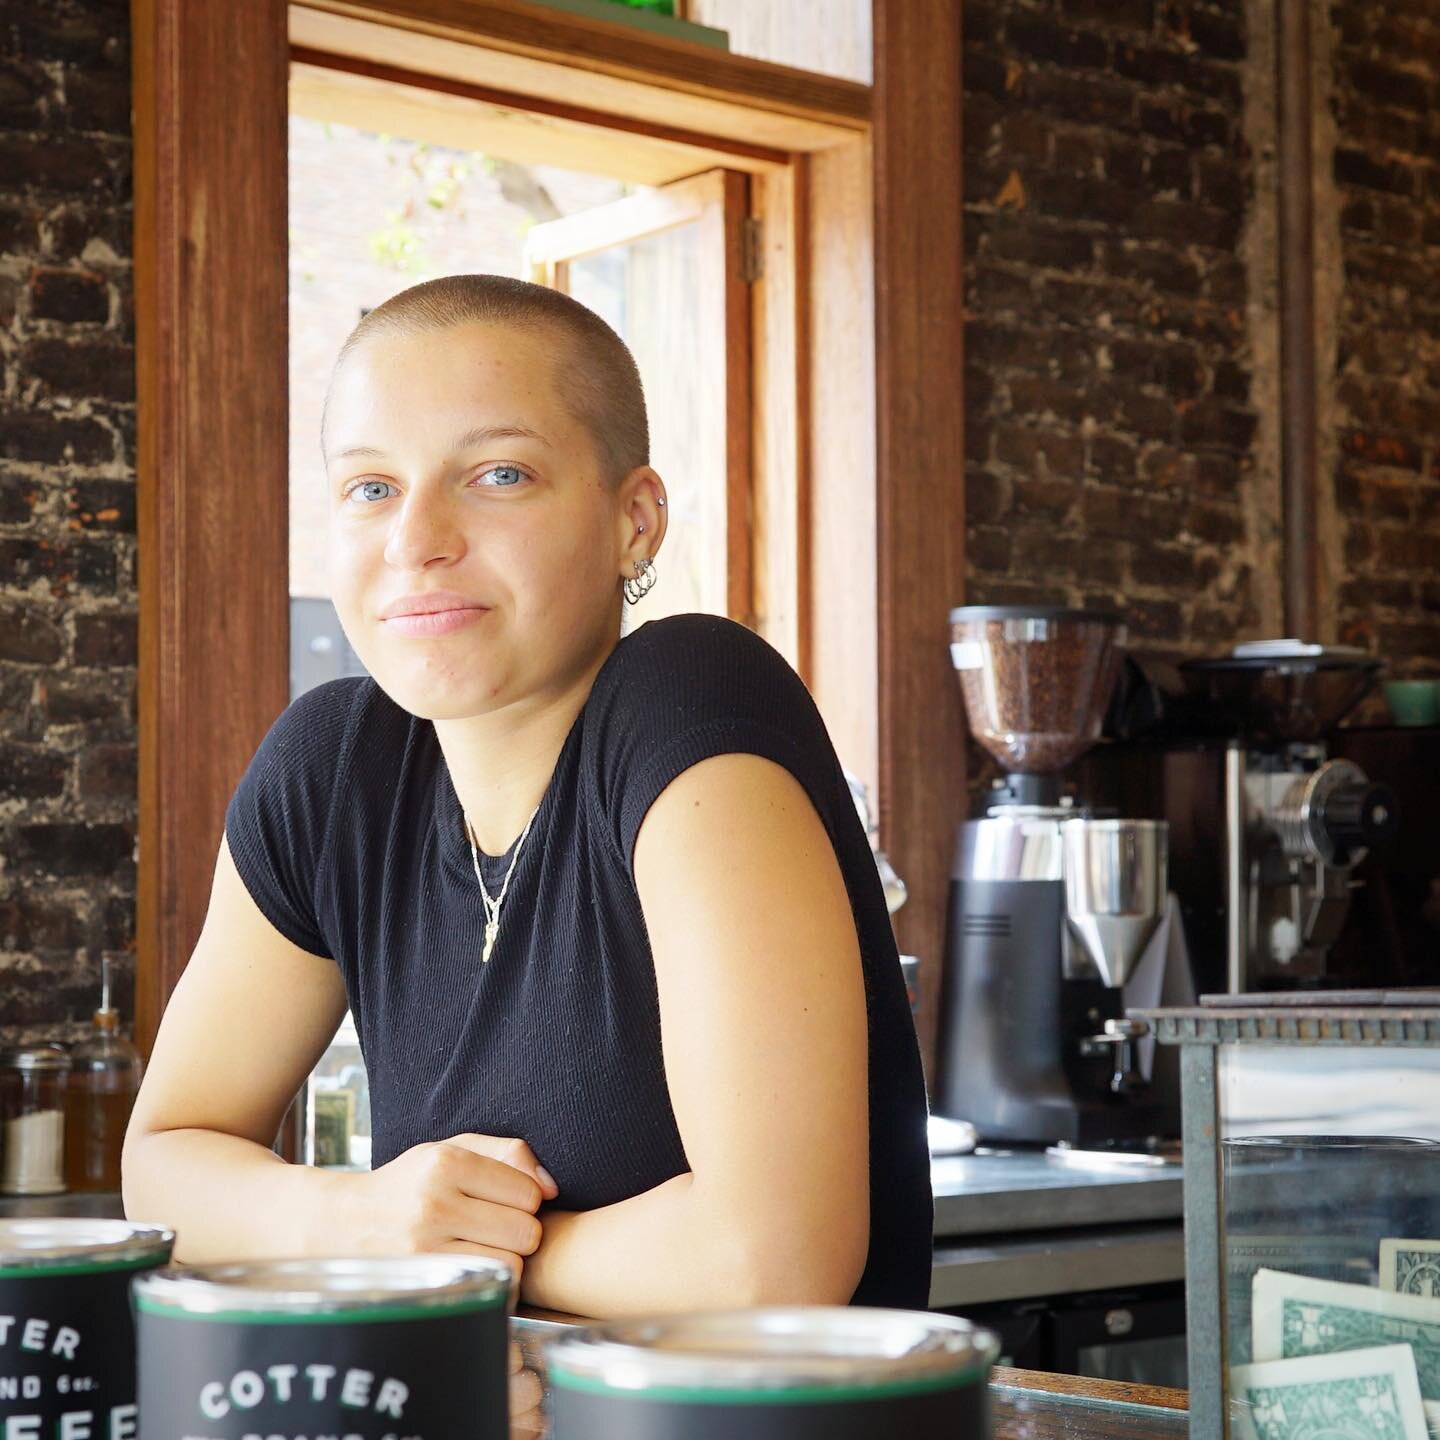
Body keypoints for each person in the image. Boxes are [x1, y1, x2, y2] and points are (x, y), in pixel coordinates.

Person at [123, 274, 932, 1324]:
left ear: (635, 521)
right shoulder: (332, 769)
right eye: (370, 487)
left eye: (498, 474)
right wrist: (362, 1222)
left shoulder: (689, 699)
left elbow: (769, 1264)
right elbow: (165, 1170)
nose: (415, 539)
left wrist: (445, 1259)